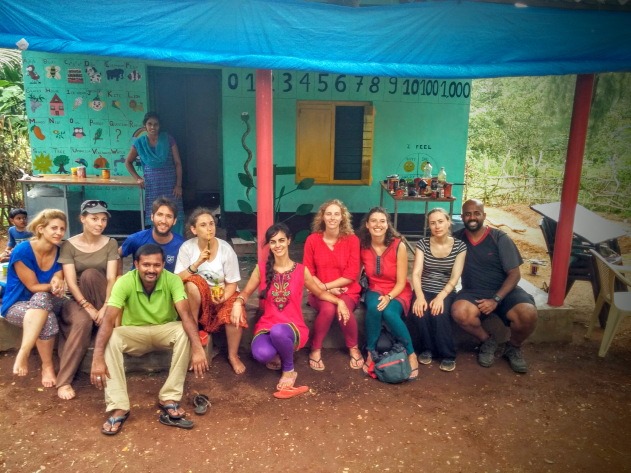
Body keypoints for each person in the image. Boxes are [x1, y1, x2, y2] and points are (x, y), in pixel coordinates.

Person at [91, 243, 209, 435]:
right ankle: (119, 405)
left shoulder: (172, 280)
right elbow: (108, 320)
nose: (151, 270)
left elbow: (186, 316)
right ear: (136, 264)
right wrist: (97, 357)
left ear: (163, 265)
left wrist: (198, 348)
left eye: (156, 265)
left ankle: (169, 397)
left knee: (183, 330)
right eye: (146, 265)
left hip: (164, 330)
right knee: (111, 337)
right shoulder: (125, 282)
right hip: (134, 332)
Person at [231, 223, 350, 398]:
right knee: (261, 354)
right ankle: (280, 352)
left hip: (292, 326)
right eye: (273, 242)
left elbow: (319, 293)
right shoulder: (262, 269)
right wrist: (237, 302)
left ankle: (289, 369)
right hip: (267, 325)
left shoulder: (301, 271)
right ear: (269, 245)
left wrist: (339, 302)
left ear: (288, 241)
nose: (277, 245)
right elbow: (246, 292)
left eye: (281, 240)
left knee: (279, 332)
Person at [451, 199, 538, 373]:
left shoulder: (499, 238)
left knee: (528, 313)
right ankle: (487, 341)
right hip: (472, 291)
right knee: (459, 311)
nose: (472, 217)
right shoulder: (457, 239)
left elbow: (515, 274)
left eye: (477, 213)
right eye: (468, 214)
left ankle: (513, 347)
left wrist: (496, 299)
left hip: (504, 291)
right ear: (462, 217)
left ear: (484, 215)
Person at [57, 200, 119, 400]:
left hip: (102, 296)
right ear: (82, 218)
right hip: (77, 298)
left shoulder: (110, 243)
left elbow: (111, 278)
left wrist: (106, 306)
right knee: (82, 321)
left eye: (102, 220)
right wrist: (88, 308)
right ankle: (64, 381)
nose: (99, 224)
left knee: (91, 274)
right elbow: (70, 282)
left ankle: (102, 324)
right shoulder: (69, 245)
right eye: (94, 219)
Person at [174, 207, 246, 374]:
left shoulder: (225, 248)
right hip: (198, 297)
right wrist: (197, 263)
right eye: (203, 225)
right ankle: (195, 341)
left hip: (222, 293)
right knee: (193, 283)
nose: (209, 228)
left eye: (211, 224)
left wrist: (223, 298)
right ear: (193, 229)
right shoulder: (187, 248)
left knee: (234, 309)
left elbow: (232, 282)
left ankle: (233, 355)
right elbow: (178, 279)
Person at [0, 209, 67, 387]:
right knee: (45, 310)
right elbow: (33, 286)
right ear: (41, 228)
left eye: (62, 229)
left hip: (51, 300)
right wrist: (52, 286)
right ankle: (45, 365)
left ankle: (25, 353)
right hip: (17, 304)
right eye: (54, 228)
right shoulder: (23, 250)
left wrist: (58, 281)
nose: (58, 232)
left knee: (43, 298)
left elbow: (58, 276)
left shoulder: (60, 251)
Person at [358, 207, 419, 380]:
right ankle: (370, 353)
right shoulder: (362, 246)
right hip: (375, 288)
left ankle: (411, 354)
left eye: (382, 221)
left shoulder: (398, 245)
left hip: (397, 290)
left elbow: (401, 281)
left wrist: (389, 297)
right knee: (374, 309)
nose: (378, 224)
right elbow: (355, 273)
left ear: (387, 225)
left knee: (390, 313)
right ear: (367, 225)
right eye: (374, 221)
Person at [303, 199, 363, 371]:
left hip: (346, 289)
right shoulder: (312, 240)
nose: (332, 218)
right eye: (328, 213)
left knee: (342, 308)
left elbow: (351, 275)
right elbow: (308, 271)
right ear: (322, 217)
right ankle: (315, 349)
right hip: (318, 291)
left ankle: (353, 347)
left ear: (343, 218)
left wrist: (327, 286)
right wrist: (322, 288)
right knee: (328, 309)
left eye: (337, 214)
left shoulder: (352, 240)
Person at [409, 208, 466, 372]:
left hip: (445, 290)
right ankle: (426, 349)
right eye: (432, 223)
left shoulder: (459, 246)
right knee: (420, 311)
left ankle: (447, 354)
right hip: (424, 287)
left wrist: (441, 297)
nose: (437, 226)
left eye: (440, 221)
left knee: (439, 313)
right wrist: (419, 297)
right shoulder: (423, 244)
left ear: (448, 222)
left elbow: (455, 277)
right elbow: (416, 273)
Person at [124, 111, 185, 234]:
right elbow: (128, 162)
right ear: (145, 126)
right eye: (149, 124)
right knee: (156, 212)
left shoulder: (168, 139)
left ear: (160, 126)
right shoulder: (139, 143)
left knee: (174, 211)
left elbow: (178, 163)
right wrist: (138, 178)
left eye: (155, 124)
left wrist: (178, 185)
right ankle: (157, 243)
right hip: (152, 186)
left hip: (171, 185)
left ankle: (176, 243)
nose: (152, 127)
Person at [119, 197, 184, 273]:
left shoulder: (182, 244)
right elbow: (117, 255)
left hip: (167, 284)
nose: (163, 221)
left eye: (169, 216)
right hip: (138, 284)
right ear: (152, 217)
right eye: (159, 215)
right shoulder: (136, 239)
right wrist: (119, 276)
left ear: (174, 221)